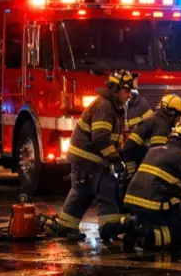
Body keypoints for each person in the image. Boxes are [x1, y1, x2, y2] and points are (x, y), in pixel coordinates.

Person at [44, 70, 132, 240]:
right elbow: (100, 137)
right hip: (89, 160)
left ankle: (66, 227)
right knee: (105, 190)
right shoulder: (105, 107)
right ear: (115, 89)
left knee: (82, 193)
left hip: (90, 160)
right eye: (126, 90)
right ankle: (109, 228)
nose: (129, 95)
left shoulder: (112, 106)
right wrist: (115, 159)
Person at [121, 122, 181, 250]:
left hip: (134, 201)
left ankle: (134, 227)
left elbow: (172, 188)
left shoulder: (154, 150)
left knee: (163, 219)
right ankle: (149, 236)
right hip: (154, 205)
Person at [121, 93, 181, 177]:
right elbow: (159, 156)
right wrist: (133, 172)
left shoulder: (154, 120)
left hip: (139, 172)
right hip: (144, 174)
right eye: (179, 116)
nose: (179, 119)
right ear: (171, 113)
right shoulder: (161, 126)